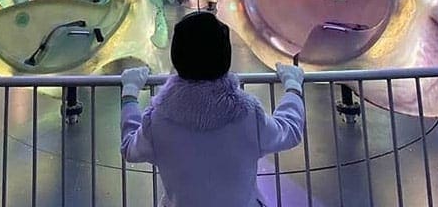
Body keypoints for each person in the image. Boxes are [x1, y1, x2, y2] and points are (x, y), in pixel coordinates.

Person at [120, 11, 306, 207]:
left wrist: (130, 95)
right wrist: (293, 87)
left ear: (177, 55)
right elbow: (289, 130)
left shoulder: (157, 120)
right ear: (225, 56)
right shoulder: (248, 114)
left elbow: (130, 148)